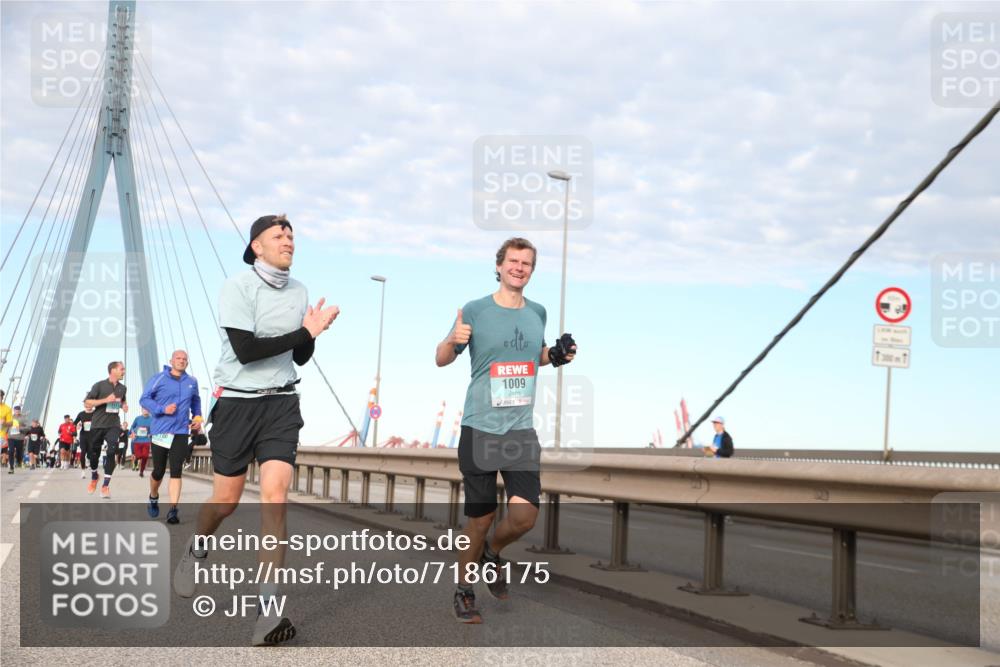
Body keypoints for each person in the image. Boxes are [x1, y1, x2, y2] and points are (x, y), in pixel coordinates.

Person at [173, 214, 338, 646]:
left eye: (291, 234)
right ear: (257, 248)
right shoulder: (237, 287)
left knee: (275, 499)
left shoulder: (300, 290)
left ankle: (267, 613)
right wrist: (306, 330)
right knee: (225, 502)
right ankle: (197, 543)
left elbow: (299, 359)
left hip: (281, 403)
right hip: (237, 403)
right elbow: (245, 352)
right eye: (277, 235)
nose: (287, 239)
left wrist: (313, 333)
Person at [435, 237, 577, 624]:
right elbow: (441, 358)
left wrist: (556, 355)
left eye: (526, 263)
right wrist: (452, 340)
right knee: (480, 519)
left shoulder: (538, 313)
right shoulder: (475, 310)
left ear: (532, 270)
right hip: (480, 427)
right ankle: (464, 591)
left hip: (519, 431)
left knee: (525, 517)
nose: (519, 268)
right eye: (513, 261)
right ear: (498, 266)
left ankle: (492, 553)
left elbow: (536, 357)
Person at [141, 350, 202, 524]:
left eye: (184, 359)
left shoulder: (192, 381)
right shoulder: (158, 378)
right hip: (161, 430)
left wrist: (197, 418)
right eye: (178, 358)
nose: (181, 361)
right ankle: (153, 496)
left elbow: (196, 402)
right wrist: (162, 409)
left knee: (176, 470)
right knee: (159, 471)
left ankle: (173, 510)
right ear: (171, 361)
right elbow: (144, 399)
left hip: (181, 432)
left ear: (187, 363)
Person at [83, 361, 129, 498]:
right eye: (122, 369)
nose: (124, 371)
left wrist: (124, 406)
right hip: (97, 424)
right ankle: (94, 476)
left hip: (114, 424)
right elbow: (87, 402)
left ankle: (105, 486)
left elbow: (122, 400)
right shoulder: (99, 385)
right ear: (113, 370)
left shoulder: (123, 388)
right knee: (93, 454)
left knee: (112, 450)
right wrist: (105, 400)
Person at [73, 403, 94, 478]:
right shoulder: (81, 414)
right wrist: (78, 425)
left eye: (90, 405)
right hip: (83, 435)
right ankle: (83, 471)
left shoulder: (95, 413)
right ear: (85, 406)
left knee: (90, 453)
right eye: (87, 405)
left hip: (92, 436)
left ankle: (88, 460)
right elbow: (74, 423)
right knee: (83, 452)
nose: (88, 407)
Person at [130, 408, 152, 477]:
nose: (146, 411)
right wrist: (133, 432)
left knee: (145, 456)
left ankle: (141, 471)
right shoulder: (138, 418)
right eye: (144, 409)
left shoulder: (152, 419)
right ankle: (136, 459)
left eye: (147, 409)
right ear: (142, 410)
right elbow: (132, 427)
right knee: (139, 456)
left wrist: (151, 433)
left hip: (146, 441)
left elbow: (155, 428)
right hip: (137, 440)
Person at [6, 405, 26, 474]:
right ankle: (11, 467)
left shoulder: (23, 418)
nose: (17, 412)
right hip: (11, 437)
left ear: (20, 411)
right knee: (11, 451)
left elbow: (28, 428)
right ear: (14, 411)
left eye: (18, 410)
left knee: (19, 453)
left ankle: (19, 461)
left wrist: (20, 428)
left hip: (19, 438)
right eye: (15, 410)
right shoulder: (10, 417)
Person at [0, 391, 12, 472]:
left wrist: (4, 423)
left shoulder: (7, 408)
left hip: (1, 435)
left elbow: (10, 423)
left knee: (4, 452)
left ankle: (4, 462)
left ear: (2, 397)